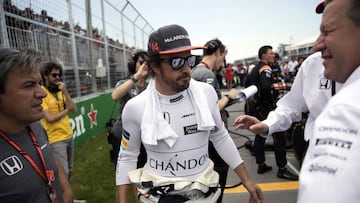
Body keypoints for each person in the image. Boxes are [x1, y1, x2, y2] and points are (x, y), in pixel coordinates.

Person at [115, 24, 263, 203]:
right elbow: (127, 157)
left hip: (206, 193)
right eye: (176, 62)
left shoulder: (206, 93)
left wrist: (246, 179)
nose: (186, 69)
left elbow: (221, 136)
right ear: (154, 65)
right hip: (157, 197)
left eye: (189, 60)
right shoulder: (136, 107)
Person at [297, 0, 360, 202]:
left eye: (328, 31)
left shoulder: (347, 109)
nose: (317, 44)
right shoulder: (311, 65)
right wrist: (267, 125)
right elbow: (292, 104)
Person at [0, 48, 73, 202]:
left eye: (39, 83)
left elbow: (51, 157)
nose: (42, 93)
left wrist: (66, 191)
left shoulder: (36, 126)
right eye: (29, 85)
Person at [191, 38, 241, 202]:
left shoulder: (195, 71)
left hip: (203, 138)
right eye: (223, 57)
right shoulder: (205, 74)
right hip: (211, 138)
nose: (223, 62)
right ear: (218, 53)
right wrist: (229, 97)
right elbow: (209, 109)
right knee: (215, 184)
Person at [243, 45, 298, 180]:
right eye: (271, 53)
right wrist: (271, 104)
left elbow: (246, 83)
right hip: (265, 108)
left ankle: (261, 165)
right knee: (280, 137)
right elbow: (267, 87)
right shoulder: (265, 68)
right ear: (264, 55)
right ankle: (282, 169)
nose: (273, 55)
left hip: (256, 107)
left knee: (260, 136)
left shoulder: (255, 68)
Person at [111, 50, 150, 167]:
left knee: (142, 168)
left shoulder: (150, 85)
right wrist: (136, 77)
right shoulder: (126, 82)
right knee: (125, 171)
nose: (144, 66)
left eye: (147, 63)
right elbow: (115, 96)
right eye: (141, 62)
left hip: (142, 135)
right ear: (134, 65)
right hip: (124, 133)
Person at [40, 62, 78, 179]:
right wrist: (66, 111)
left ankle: (70, 197)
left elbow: (74, 109)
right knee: (63, 172)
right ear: (46, 76)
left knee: (70, 169)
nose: (57, 78)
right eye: (54, 75)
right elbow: (50, 118)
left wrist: (65, 92)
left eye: (59, 75)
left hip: (68, 135)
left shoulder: (60, 90)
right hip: (55, 139)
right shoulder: (42, 93)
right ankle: (63, 197)